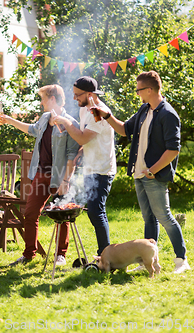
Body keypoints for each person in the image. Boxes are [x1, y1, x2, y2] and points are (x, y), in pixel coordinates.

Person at [92, 70, 190, 274]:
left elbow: (173, 150)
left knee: (164, 217)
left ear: (150, 89)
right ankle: (148, 263)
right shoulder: (144, 110)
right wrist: (107, 115)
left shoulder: (168, 114)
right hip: (139, 175)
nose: (137, 94)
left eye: (138, 90)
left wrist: (153, 171)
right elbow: (123, 130)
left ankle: (181, 260)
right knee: (149, 219)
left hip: (154, 175)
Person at [0, 85, 80, 266]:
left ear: (52, 99)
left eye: (43, 98)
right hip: (40, 174)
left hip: (59, 177)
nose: (41, 102)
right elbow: (32, 130)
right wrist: (10, 120)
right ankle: (28, 254)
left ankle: (60, 255)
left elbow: (71, 155)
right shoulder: (45, 118)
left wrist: (65, 180)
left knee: (62, 215)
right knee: (30, 213)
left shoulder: (70, 123)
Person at [53, 76, 116, 257]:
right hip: (90, 166)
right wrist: (81, 151)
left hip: (102, 169)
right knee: (94, 212)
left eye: (77, 95)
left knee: (97, 211)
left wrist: (65, 122)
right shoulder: (85, 109)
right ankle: (104, 254)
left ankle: (105, 255)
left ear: (89, 94)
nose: (74, 98)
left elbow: (80, 136)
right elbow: (85, 138)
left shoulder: (99, 112)